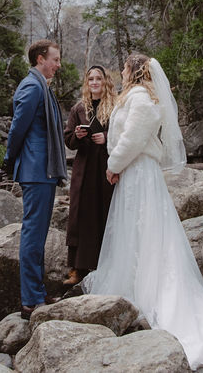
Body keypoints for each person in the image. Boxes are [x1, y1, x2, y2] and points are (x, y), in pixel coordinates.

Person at [83, 53, 203, 369]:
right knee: (133, 233)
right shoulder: (134, 95)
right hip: (131, 173)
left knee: (146, 232)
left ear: (135, 70)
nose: (122, 70)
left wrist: (113, 165)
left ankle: (153, 297)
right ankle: (129, 291)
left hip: (139, 173)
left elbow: (134, 137)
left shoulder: (143, 98)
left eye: (126, 66)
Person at [3, 39, 67, 319]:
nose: (58, 65)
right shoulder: (31, 86)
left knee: (39, 235)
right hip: (36, 169)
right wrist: (8, 160)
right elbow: (18, 127)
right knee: (32, 234)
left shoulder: (42, 86)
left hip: (45, 170)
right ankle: (30, 300)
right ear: (40, 59)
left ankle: (37, 292)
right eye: (55, 59)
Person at [62, 65, 117, 286]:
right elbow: (68, 140)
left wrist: (106, 137)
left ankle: (108, 264)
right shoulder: (79, 108)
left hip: (106, 166)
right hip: (84, 166)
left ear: (105, 82)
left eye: (99, 79)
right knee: (80, 214)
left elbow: (124, 132)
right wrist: (77, 134)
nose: (94, 82)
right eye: (91, 79)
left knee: (106, 212)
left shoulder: (115, 106)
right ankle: (78, 267)